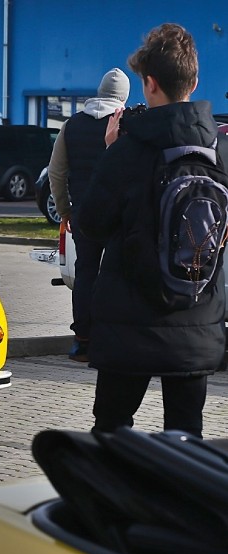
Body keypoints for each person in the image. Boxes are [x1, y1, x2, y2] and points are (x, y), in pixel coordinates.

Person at [79, 23, 228, 438]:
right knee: (186, 435)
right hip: (197, 318)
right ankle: (177, 502)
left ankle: (111, 502)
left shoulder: (127, 151)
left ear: (149, 84)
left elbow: (90, 223)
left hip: (131, 323)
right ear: (194, 81)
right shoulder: (221, 151)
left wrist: (108, 152)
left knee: (112, 430)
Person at [48, 68, 130, 362]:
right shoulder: (127, 124)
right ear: (124, 96)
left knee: (86, 274)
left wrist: (64, 210)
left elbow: (56, 173)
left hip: (83, 212)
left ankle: (82, 341)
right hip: (120, 214)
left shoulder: (71, 125)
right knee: (118, 274)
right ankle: (112, 339)